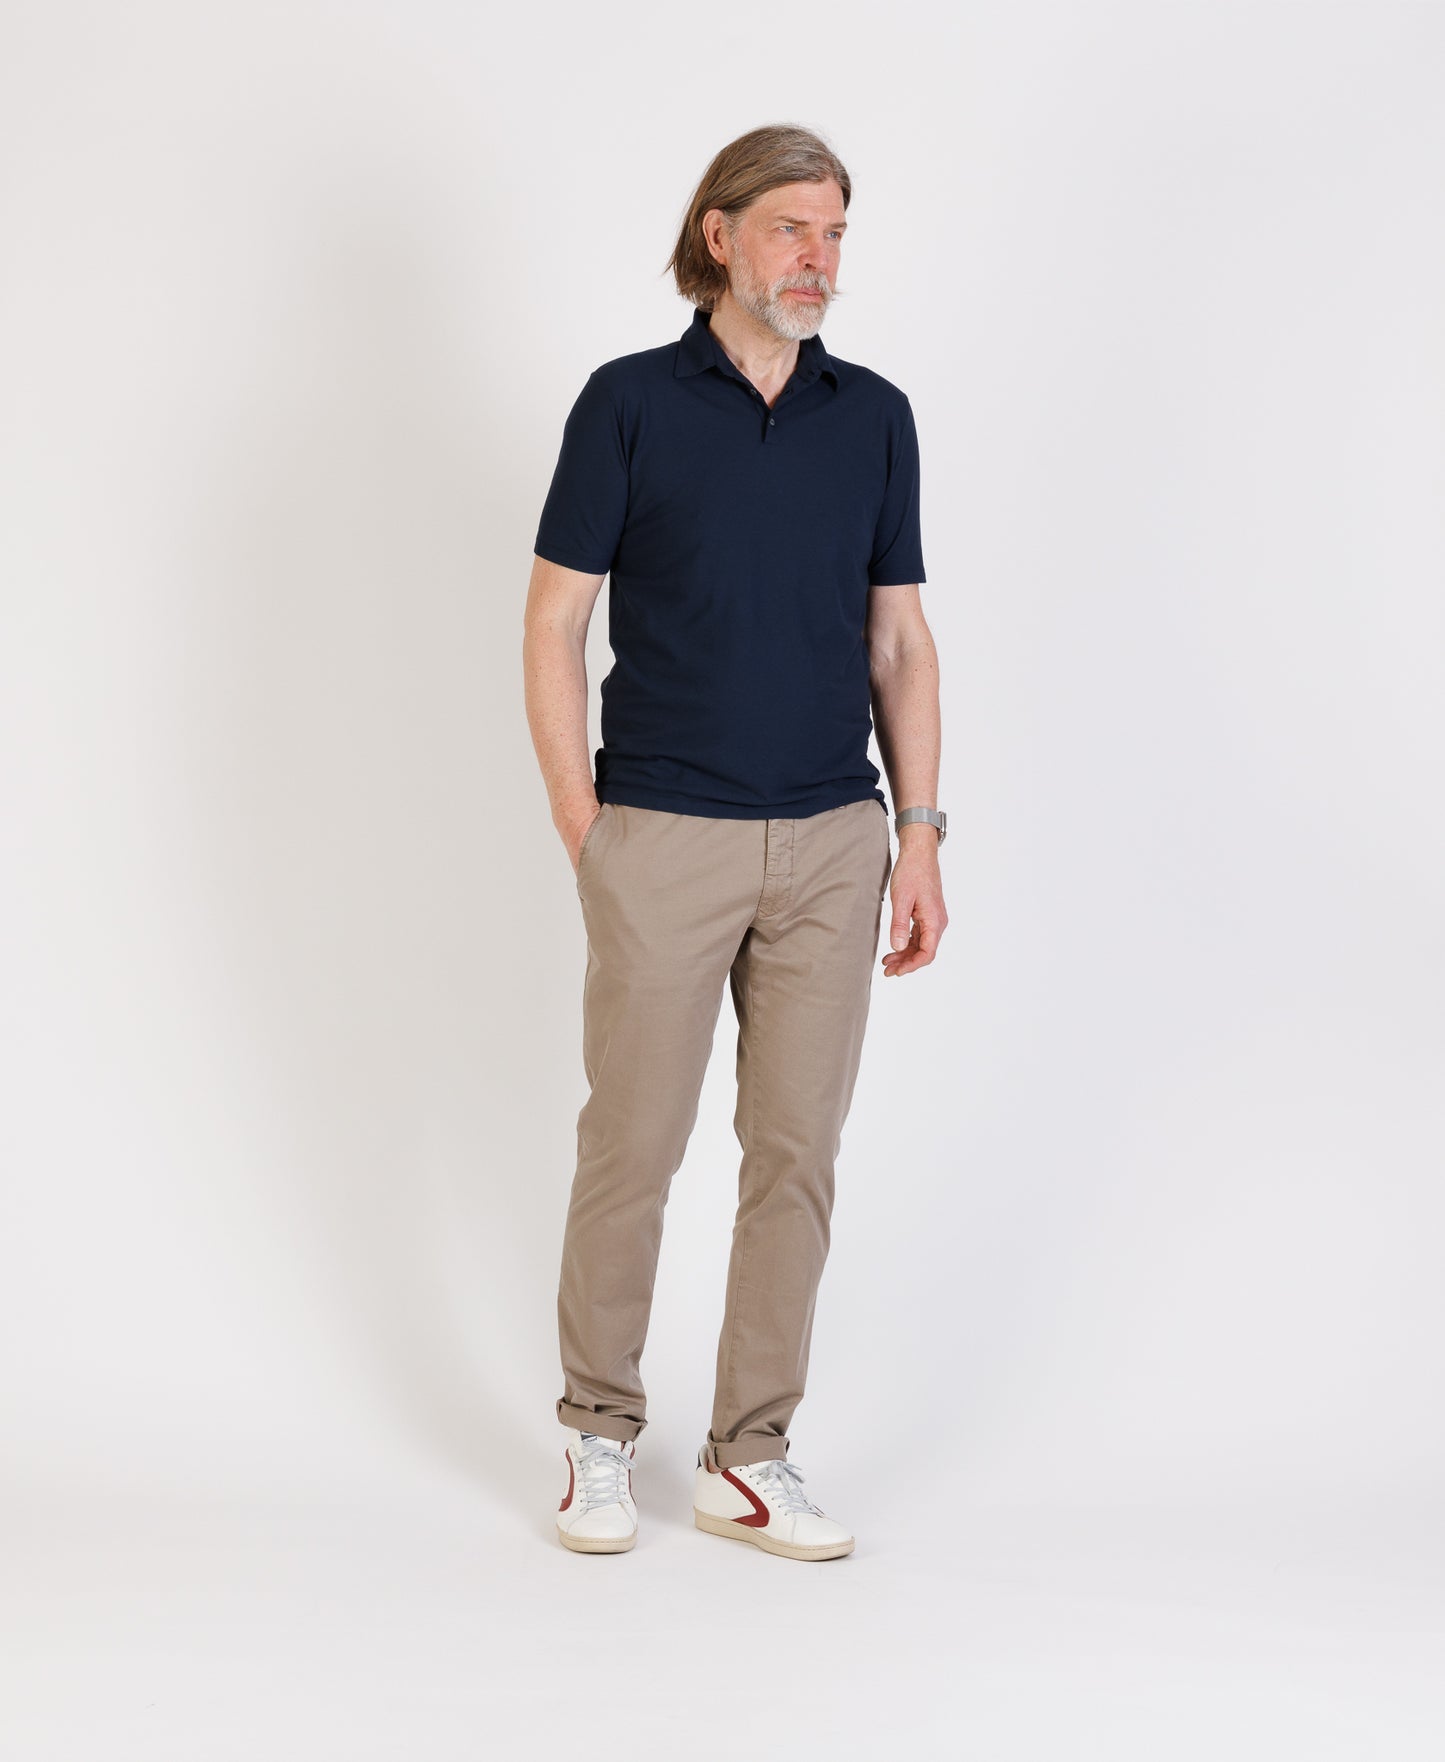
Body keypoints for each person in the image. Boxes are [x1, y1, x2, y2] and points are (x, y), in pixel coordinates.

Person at [522, 123, 947, 1562]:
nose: (818, 259)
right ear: (720, 236)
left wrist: (918, 835)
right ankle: (596, 1429)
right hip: (664, 830)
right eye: (791, 229)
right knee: (631, 1146)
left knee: (795, 1155)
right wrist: (586, 829)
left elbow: (901, 641)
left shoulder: (873, 416)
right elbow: (554, 622)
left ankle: (749, 1454)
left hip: (833, 840)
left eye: (835, 234)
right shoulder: (629, 403)